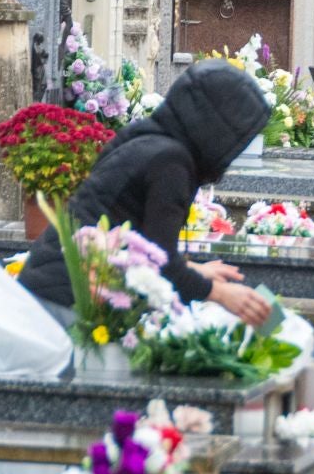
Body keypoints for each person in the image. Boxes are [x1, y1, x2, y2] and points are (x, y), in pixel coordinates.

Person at [20, 59, 273, 330]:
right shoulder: (171, 163)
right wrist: (219, 293)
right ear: (218, 128)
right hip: (68, 302)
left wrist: (195, 272)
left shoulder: (146, 139)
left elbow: (137, 244)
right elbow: (158, 266)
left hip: (48, 288)